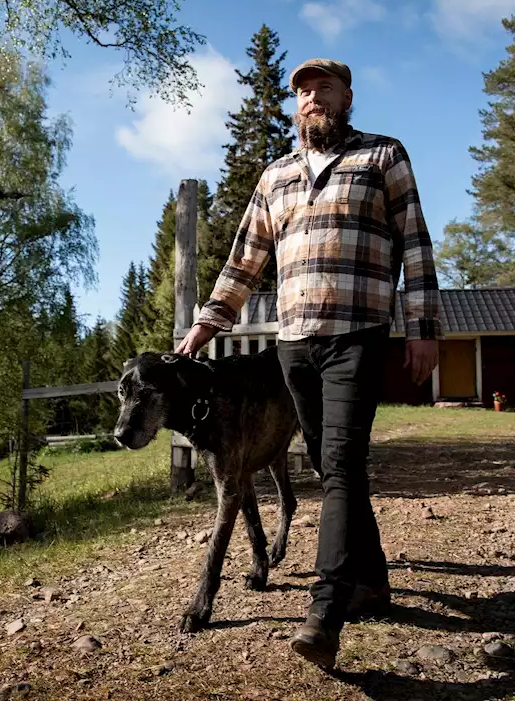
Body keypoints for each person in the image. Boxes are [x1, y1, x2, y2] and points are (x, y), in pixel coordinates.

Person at [175, 57, 441, 670]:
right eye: (303, 91)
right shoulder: (277, 176)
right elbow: (245, 261)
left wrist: (423, 327)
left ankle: (325, 612)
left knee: (343, 463)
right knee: (328, 462)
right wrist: (205, 324)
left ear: (348, 95)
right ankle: (371, 579)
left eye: (324, 87)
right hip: (295, 345)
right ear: (297, 108)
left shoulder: (382, 157)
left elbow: (416, 244)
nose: (312, 98)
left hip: (359, 334)